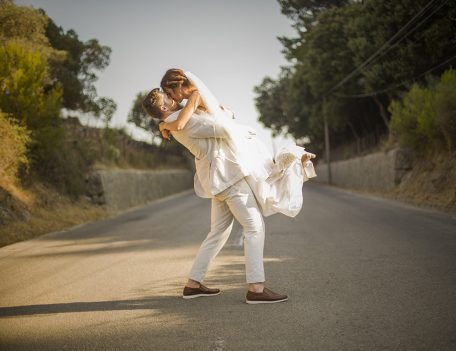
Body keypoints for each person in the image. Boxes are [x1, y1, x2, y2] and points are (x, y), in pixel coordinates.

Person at [142, 87, 290, 304]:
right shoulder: (185, 121)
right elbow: (224, 129)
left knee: (218, 233)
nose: (174, 96)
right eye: (169, 97)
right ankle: (256, 289)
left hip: (217, 180)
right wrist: (224, 113)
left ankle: (193, 284)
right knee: (254, 227)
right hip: (229, 179)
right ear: (164, 107)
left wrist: (204, 107)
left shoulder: (177, 122)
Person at [159, 69, 317, 217]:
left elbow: (180, 124)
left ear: (177, 85)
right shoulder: (198, 95)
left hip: (234, 143)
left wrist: (163, 125)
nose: (171, 97)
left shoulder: (194, 95)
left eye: (169, 92)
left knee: (264, 190)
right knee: (263, 183)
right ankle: (297, 162)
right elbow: (222, 112)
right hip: (236, 139)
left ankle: (295, 160)